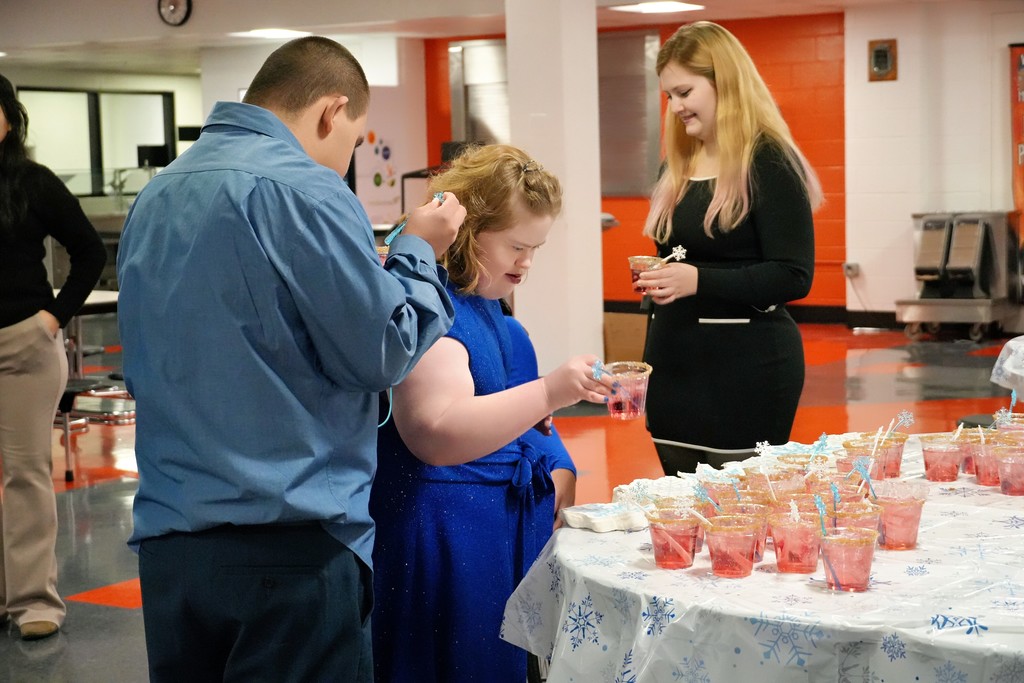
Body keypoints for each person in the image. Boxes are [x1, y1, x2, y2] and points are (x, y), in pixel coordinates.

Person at [115, 37, 465, 682]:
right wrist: (418, 252)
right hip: (289, 541)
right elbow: (384, 350)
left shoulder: (159, 192)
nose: (345, 160)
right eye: (354, 142)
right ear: (333, 112)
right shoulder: (306, 189)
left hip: (173, 541)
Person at [369, 144, 614, 683]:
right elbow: (437, 431)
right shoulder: (434, 317)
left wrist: (562, 469)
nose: (527, 263)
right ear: (467, 232)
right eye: (516, 246)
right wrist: (551, 391)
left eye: (536, 248)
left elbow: (529, 425)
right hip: (443, 542)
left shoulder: (505, 324)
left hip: (499, 535)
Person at [636, 21, 823, 476]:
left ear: (724, 82)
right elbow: (675, 258)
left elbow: (792, 274)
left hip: (747, 372)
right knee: (681, 511)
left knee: (736, 519)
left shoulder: (770, 161)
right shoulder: (677, 165)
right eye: (669, 97)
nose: (676, 107)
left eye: (684, 91)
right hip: (674, 366)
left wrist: (697, 280)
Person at [0, 73, 106, 641]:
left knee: (25, 476)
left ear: (9, 120)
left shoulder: (32, 183)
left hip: (23, 345)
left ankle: (34, 601)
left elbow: (88, 250)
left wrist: (53, 316)